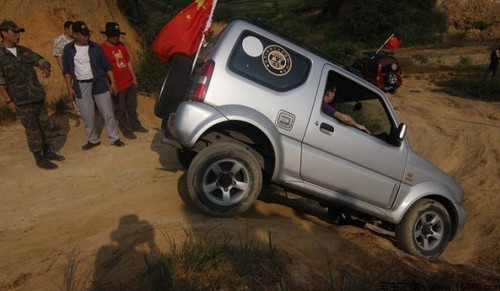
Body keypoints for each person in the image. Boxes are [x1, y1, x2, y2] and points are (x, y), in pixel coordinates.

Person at [0, 20, 65, 169]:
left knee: (44, 125)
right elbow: (1, 83)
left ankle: (48, 151)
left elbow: (40, 60)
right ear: (4, 33)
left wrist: (45, 68)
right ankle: (39, 158)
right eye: (14, 32)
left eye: (19, 32)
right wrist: (9, 101)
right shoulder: (1, 55)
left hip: (36, 95)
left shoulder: (23, 51)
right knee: (32, 128)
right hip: (21, 100)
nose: (18, 35)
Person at [62, 20, 125, 150]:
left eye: (88, 34)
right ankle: (92, 139)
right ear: (75, 34)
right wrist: (69, 88)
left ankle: (114, 138)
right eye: (84, 34)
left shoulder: (96, 47)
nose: (87, 37)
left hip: (99, 83)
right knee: (87, 114)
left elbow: (107, 66)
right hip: (81, 85)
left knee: (108, 112)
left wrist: (112, 83)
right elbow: (67, 71)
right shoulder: (68, 50)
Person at [100, 22, 148, 140]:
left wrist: (134, 77)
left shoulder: (121, 45)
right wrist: (110, 85)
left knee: (132, 106)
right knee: (120, 108)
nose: (116, 37)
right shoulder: (103, 49)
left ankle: (135, 125)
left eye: (117, 35)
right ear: (107, 35)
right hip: (117, 84)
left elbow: (128, 61)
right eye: (113, 35)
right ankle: (126, 130)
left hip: (128, 81)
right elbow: (103, 69)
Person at [53, 20, 80, 115]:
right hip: (69, 68)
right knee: (72, 86)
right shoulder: (59, 40)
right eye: (72, 29)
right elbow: (58, 56)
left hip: (79, 66)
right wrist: (63, 70)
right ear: (66, 29)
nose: (73, 31)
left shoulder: (76, 39)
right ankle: (77, 108)